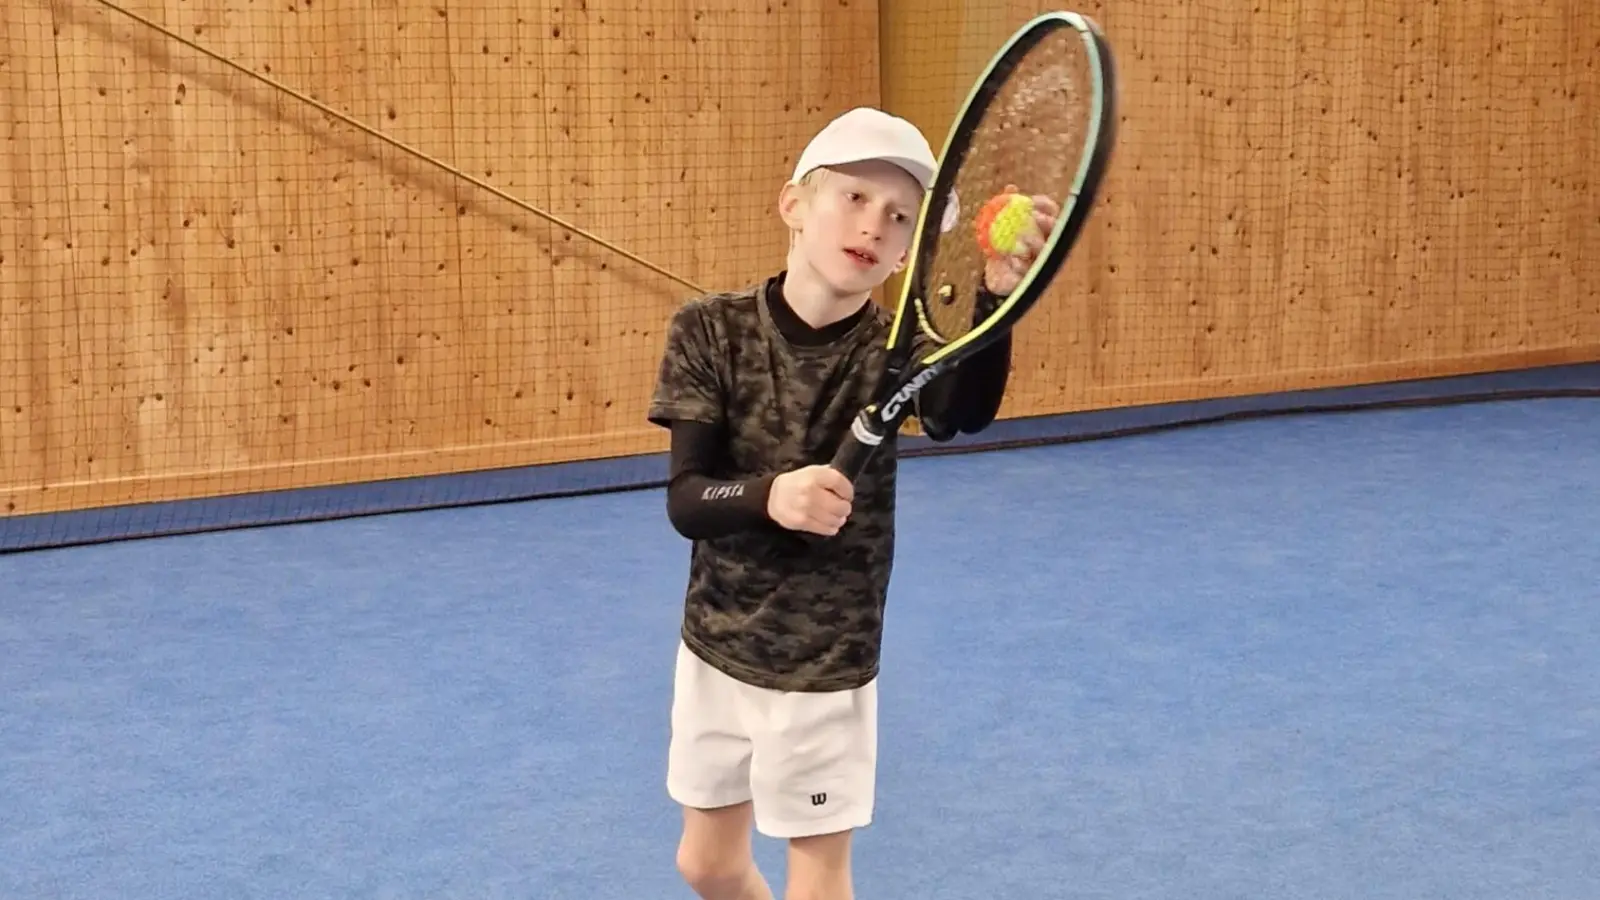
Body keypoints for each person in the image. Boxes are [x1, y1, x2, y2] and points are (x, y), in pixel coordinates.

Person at [646, 106, 1058, 900]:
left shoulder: (891, 356)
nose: (874, 225)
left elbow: (957, 413)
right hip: (716, 643)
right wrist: (773, 496)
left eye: (900, 217)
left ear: (908, 250)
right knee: (705, 865)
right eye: (854, 198)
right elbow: (688, 501)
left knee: (818, 877)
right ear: (794, 205)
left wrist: (995, 304)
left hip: (826, 658)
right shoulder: (710, 331)